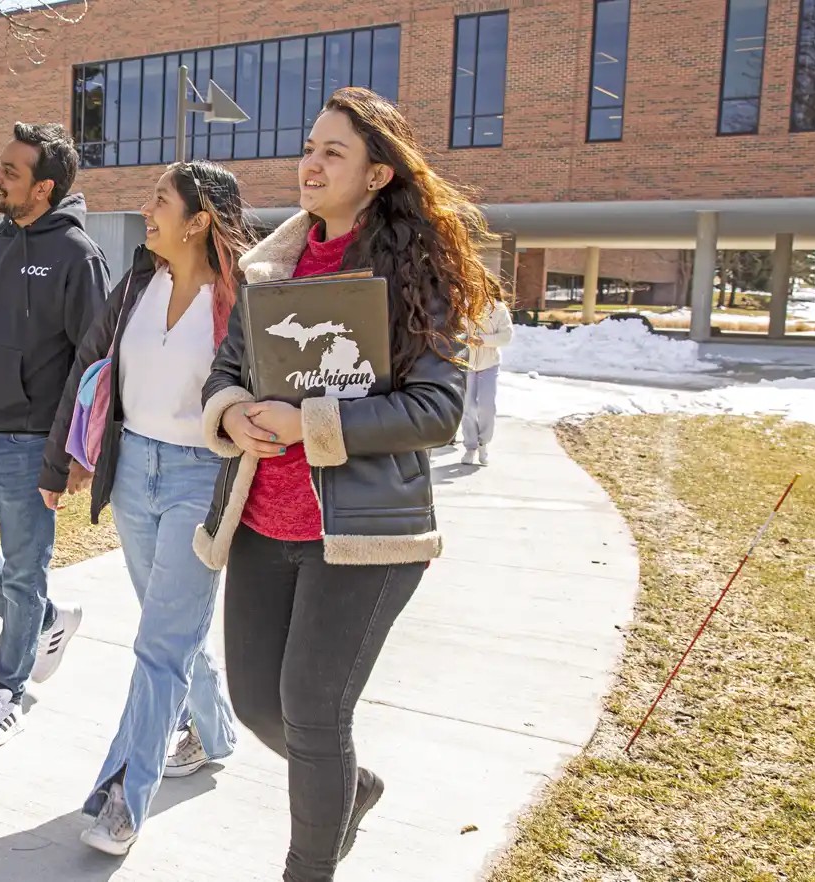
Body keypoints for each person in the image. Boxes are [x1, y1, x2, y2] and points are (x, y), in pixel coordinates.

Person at [195, 86, 497, 881]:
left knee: (314, 712)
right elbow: (224, 375)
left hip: (363, 533)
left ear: (377, 175)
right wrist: (233, 418)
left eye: (335, 151)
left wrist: (309, 424)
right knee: (259, 705)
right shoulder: (270, 267)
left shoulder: (416, 271)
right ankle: (350, 791)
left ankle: (308, 867)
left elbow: (436, 408)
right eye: (309, 147)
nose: (311, 163)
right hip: (264, 521)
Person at [44, 161, 254, 855]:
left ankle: (122, 795)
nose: (146, 210)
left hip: (202, 475)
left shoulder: (241, 297)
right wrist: (64, 460)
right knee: (168, 630)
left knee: (159, 644)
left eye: (160, 200)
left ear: (199, 220)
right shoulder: (138, 281)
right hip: (133, 470)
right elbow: (90, 363)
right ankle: (214, 732)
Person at [0, 122, 110, 750]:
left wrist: (76, 452)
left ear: (44, 187)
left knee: (24, 570)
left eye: (11, 171)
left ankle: (5, 692)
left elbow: (95, 362)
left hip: (31, 444)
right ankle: (44, 621)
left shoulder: (77, 256)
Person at [461, 296, 512, 466]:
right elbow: (455, 329)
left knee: (486, 406)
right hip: (467, 363)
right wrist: (463, 338)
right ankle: (470, 447)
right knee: (467, 407)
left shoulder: (498, 309)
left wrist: (483, 340)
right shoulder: (464, 305)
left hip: (489, 364)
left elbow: (506, 336)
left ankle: (483, 443)